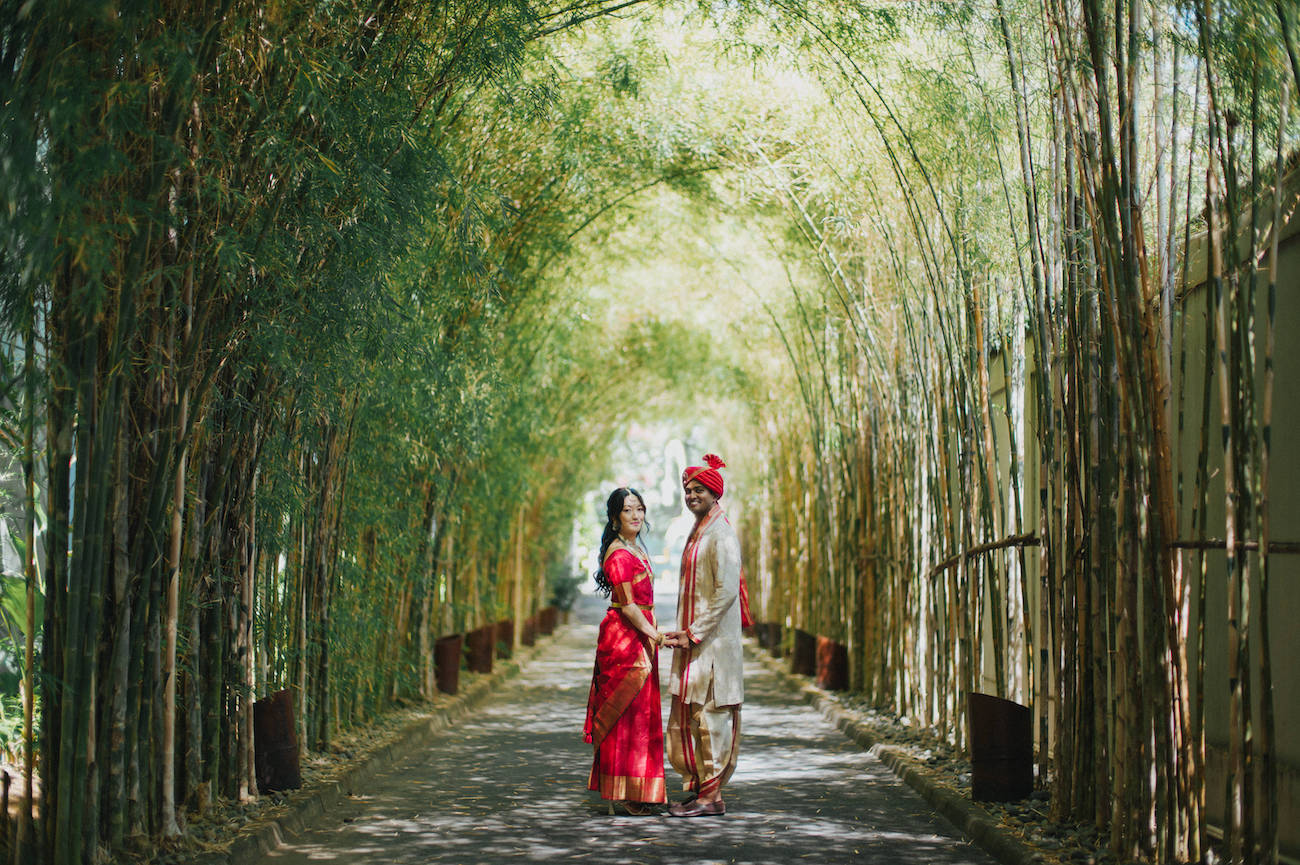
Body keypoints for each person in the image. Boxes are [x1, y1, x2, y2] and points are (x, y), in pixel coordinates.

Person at [663, 454, 752, 817]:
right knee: (694, 716)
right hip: (697, 643)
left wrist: (695, 632)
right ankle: (702, 790)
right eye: (688, 490)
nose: (691, 495)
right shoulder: (700, 530)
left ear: (715, 493)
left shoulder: (721, 534)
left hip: (712, 645)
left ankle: (711, 798)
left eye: (699, 489)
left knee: (712, 717)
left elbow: (726, 590)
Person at [583, 487, 668, 815]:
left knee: (643, 713)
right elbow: (629, 607)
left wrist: (652, 632)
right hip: (625, 637)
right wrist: (654, 635)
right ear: (615, 517)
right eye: (628, 510)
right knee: (628, 713)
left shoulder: (634, 547)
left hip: (640, 633)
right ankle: (626, 789)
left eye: (639, 509)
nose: (636, 515)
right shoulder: (619, 554)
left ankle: (639, 788)